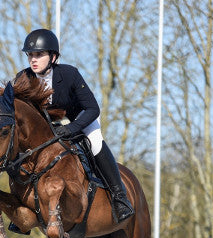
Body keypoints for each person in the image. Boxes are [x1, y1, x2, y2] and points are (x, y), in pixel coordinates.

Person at [14, 28, 134, 226]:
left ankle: (119, 196)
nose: (33, 59)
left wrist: (72, 128)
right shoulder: (23, 78)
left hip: (79, 119)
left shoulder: (69, 74)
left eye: (39, 54)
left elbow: (92, 109)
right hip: (47, 128)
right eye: (30, 55)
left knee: (95, 142)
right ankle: (22, 203)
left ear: (53, 57)